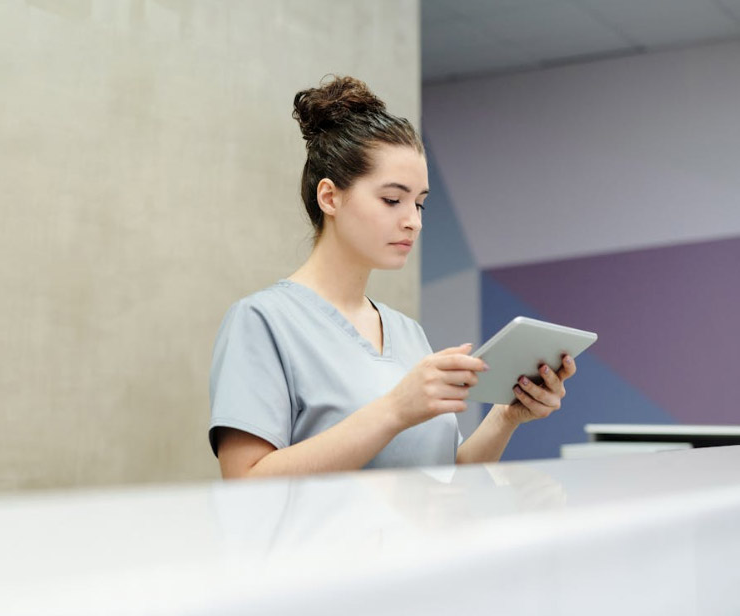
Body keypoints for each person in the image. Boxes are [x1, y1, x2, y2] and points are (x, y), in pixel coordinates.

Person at [209, 76, 576, 479]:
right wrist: (395, 409)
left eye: (419, 204)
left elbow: (447, 476)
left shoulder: (407, 333)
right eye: (392, 200)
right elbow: (245, 482)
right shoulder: (262, 321)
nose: (413, 222)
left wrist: (506, 416)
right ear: (329, 197)